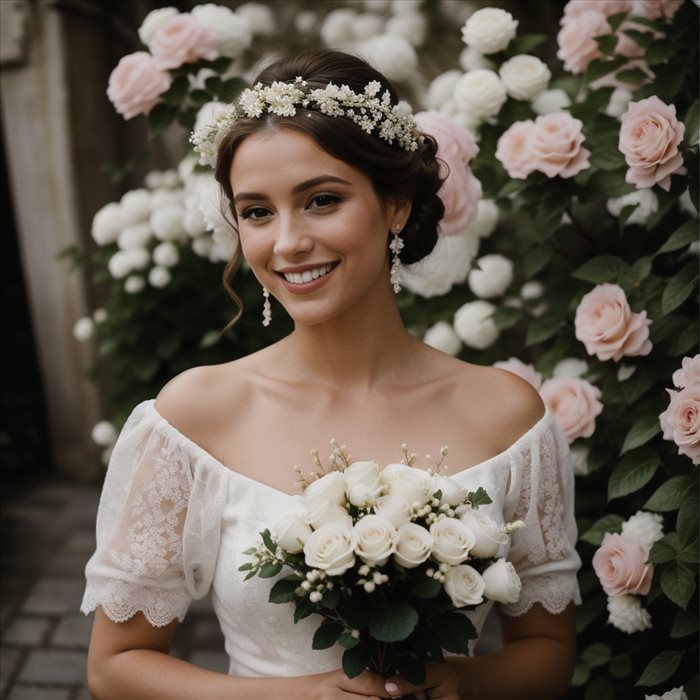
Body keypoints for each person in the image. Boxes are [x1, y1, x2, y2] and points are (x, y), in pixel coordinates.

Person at [82, 49, 581, 700]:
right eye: (258, 212)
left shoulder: (508, 417)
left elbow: (548, 652)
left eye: (320, 200)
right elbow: (113, 668)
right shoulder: (193, 417)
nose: (286, 242)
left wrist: (457, 683)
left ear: (396, 205)